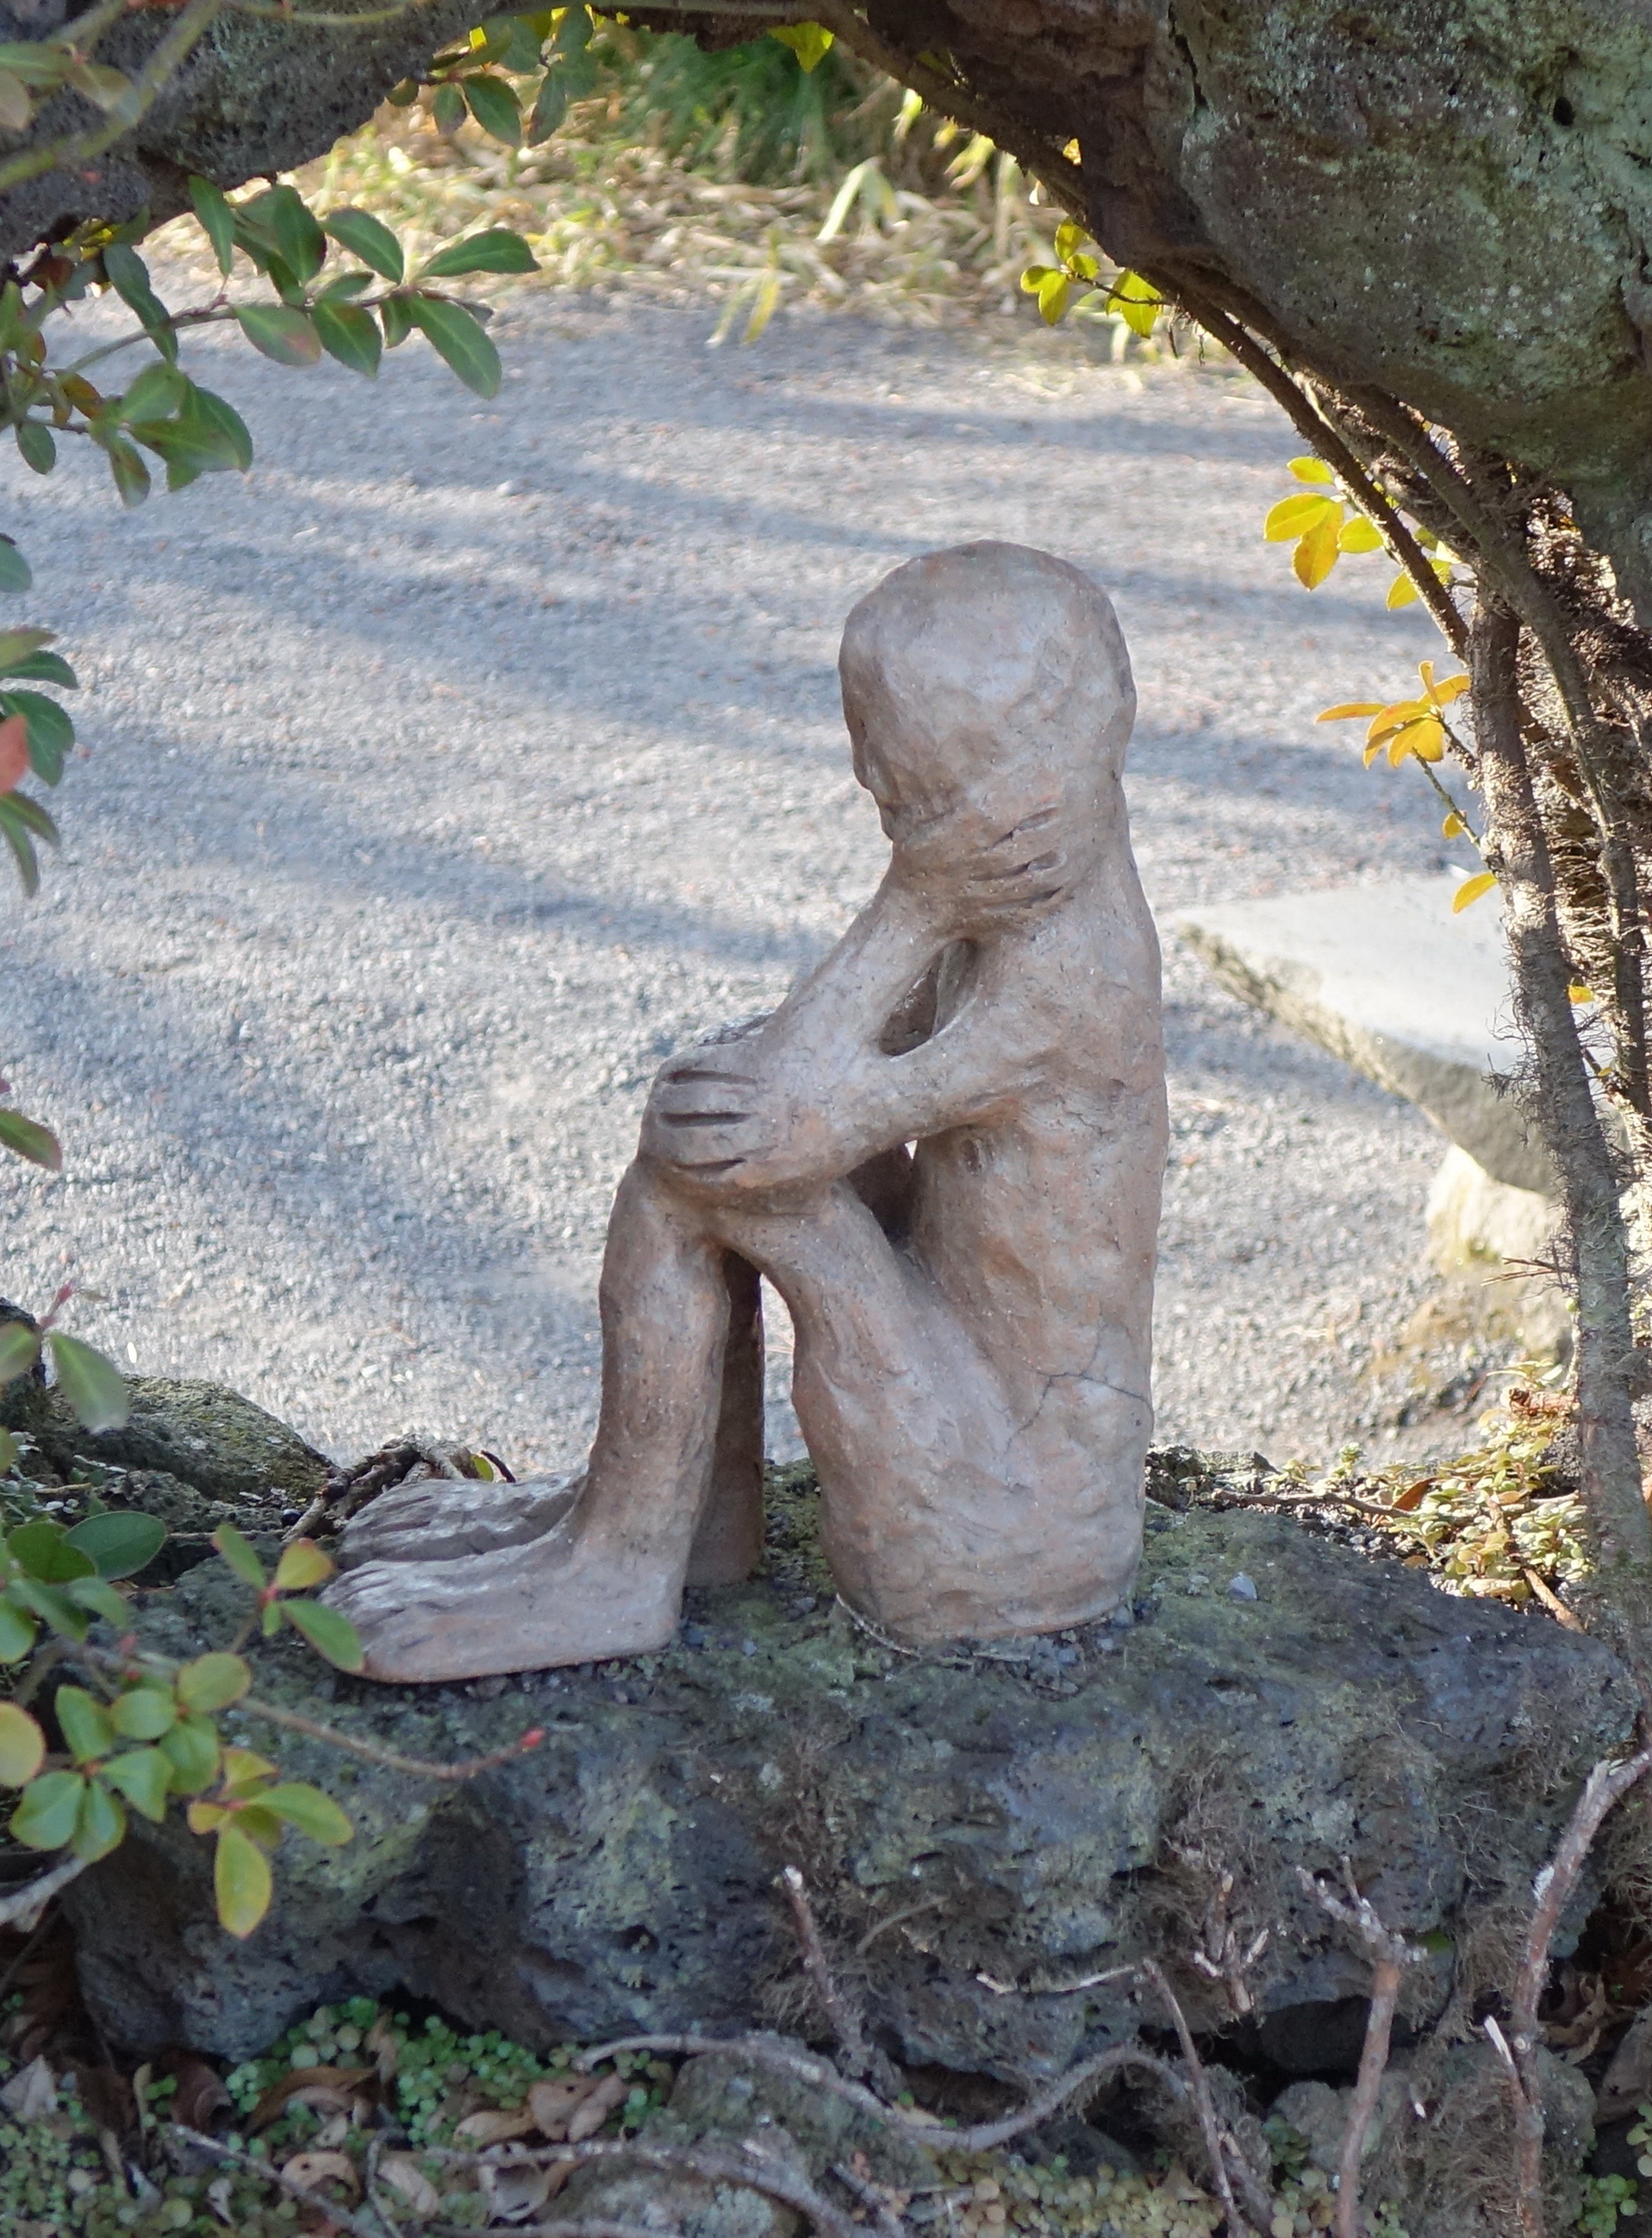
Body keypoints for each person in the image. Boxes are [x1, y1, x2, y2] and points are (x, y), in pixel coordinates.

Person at [327, 541, 1166, 1681]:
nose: (926, 833)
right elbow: (796, 1066)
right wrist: (923, 899)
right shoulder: (1010, 904)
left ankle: (619, 1565)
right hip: (970, 1404)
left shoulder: (1077, 976)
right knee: (719, 1114)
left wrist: (915, 900)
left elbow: (791, 1117)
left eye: (943, 803)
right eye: (901, 806)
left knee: (706, 1173)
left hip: (1005, 1518)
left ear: (1075, 760)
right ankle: (677, 1519)